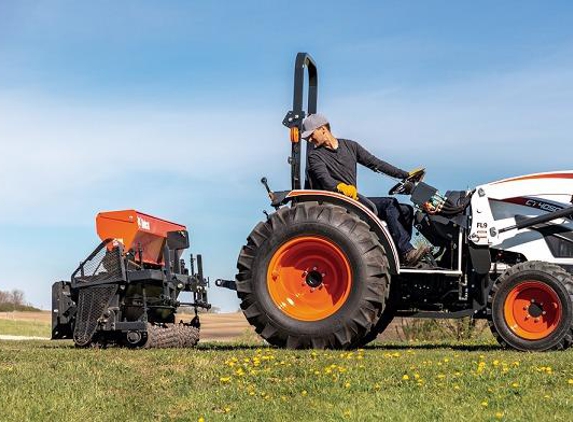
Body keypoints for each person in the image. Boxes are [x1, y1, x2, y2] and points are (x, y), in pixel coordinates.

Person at [301, 113, 430, 266]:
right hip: (339, 202)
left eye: (311, 135)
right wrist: (339, 187)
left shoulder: (351, 146)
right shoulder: (315, 156)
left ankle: (402, 255)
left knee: (406, 210)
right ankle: (407, 252)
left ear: (323, 129)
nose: (309, 140)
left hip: (353, 199)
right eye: (307, 137)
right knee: (389, 203)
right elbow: (324, 179)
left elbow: (376, 163)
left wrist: (405, 175)